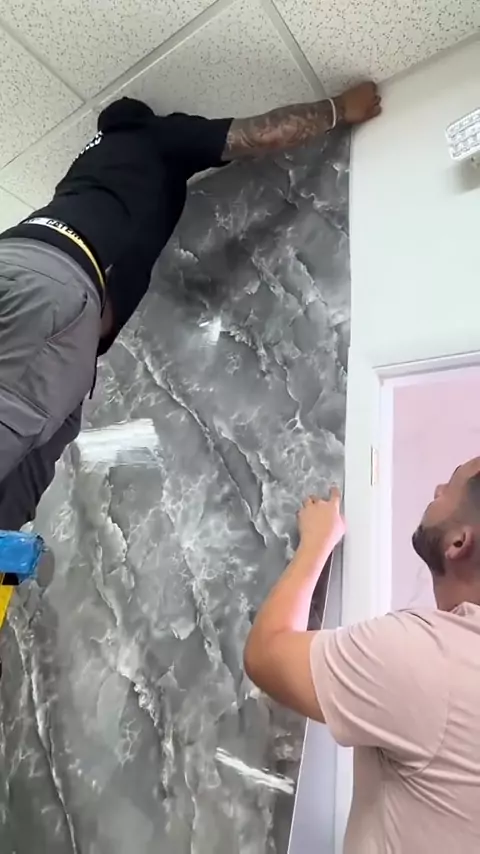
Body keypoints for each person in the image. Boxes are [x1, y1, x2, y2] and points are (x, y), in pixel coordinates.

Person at [0, 82, 381, 533]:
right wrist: (339, 109)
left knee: (22, 485)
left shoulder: (82, 170)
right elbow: (258, 133)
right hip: (54, 283)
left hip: (31, 276)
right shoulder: (152, 135)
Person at [244, 459, 480, 852]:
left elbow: (266, 655)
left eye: (449, 487)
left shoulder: (436, 660)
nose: (437, 490)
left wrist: (316, 542)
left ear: (459, 542)